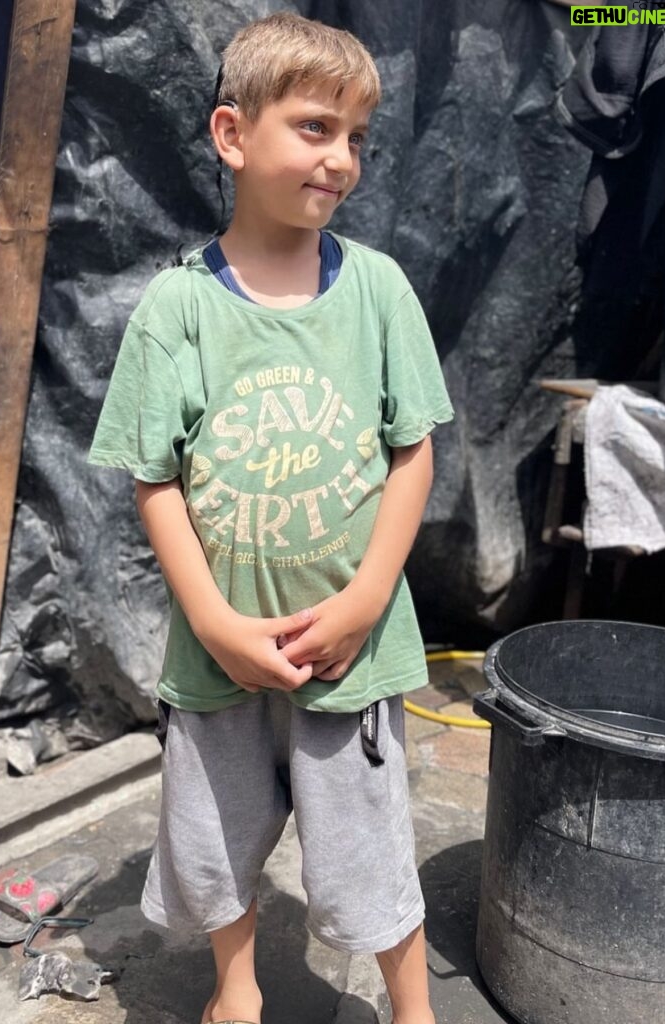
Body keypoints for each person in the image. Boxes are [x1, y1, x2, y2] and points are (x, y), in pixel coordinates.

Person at [88, 12, 454, 1024]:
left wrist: (368, 595)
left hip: (353, 652)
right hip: (220, 661)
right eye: (313, 128)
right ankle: (236, 991)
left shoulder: (378, 293)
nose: (340, 159)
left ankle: (413, 1007)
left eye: (357, 138)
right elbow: (154, 479)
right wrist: (211, 620)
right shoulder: (178, 310)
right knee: (214, 838)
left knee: (370, 850)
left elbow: (413, 451)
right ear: (232, 133)